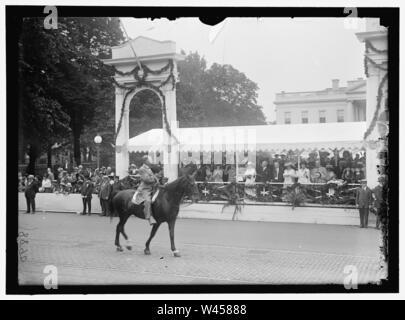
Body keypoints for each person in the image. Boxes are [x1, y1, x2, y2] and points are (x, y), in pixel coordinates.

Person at [132, 155, 159, 225]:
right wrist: (154, 179)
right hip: (145, 188)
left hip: (153, 187)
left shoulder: (149, 168)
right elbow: (146, 179)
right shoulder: (142, 169)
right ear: (145, 161)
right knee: (148, 201)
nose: (150, 161)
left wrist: (157, 179)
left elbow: (153, 176)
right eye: (149, 160)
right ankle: (149, 218)